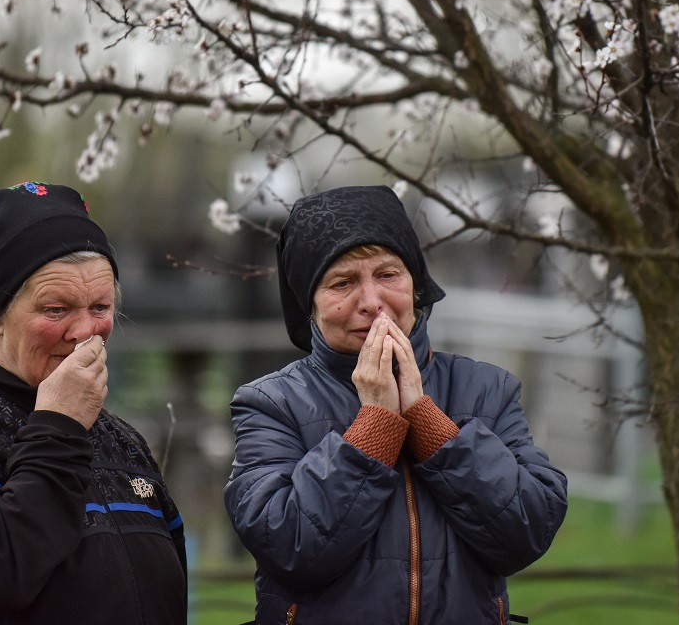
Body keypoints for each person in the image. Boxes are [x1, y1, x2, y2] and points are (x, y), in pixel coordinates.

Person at [224, 185, 567, 625]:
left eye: (388, 274)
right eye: (342, 283)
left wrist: (428, 422)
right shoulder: (272, 403)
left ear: (415, 285)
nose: (372, 302)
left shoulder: (486, 389)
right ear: (310, 304)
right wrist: (375, 425)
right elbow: (292, 548)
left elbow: (527, 531)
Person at [0, 181, 186, 624]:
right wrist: (59, 426)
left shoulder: (123, 442)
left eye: (100, 306)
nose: (86, 331)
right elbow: (1, 571)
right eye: (56, 310)